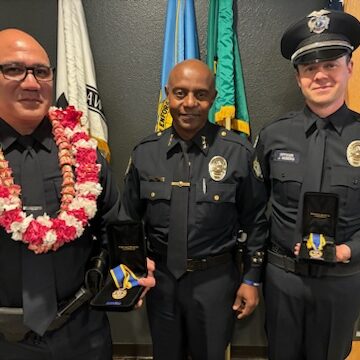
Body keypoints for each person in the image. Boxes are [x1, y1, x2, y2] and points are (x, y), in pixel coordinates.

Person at [0, 28, 154, 360]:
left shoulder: (83, 153)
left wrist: (134, 269)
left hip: (82, 331)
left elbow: (113, 226)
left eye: (42, 71)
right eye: (13, 69)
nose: (31, 83)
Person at [119, 59, 268, 360]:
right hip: (160, 281)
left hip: (214, 281)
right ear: (167, 95)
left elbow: (256, 221)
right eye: (180, 93)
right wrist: (129, 273)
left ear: (213, 98)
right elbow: (127, 220)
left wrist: (251, 279)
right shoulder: (145, 153)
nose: (189, 103)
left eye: (200, 94)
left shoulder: (237, 153)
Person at [254, 9, 360, 360]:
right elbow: (255, 212)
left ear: (349, 67)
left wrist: (349, 251)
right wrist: (253, 276)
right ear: (298, 77)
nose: (320, 75)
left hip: (341, 281)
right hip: (284, 280)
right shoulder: (272, 136)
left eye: (331, 63)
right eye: (309, 67)